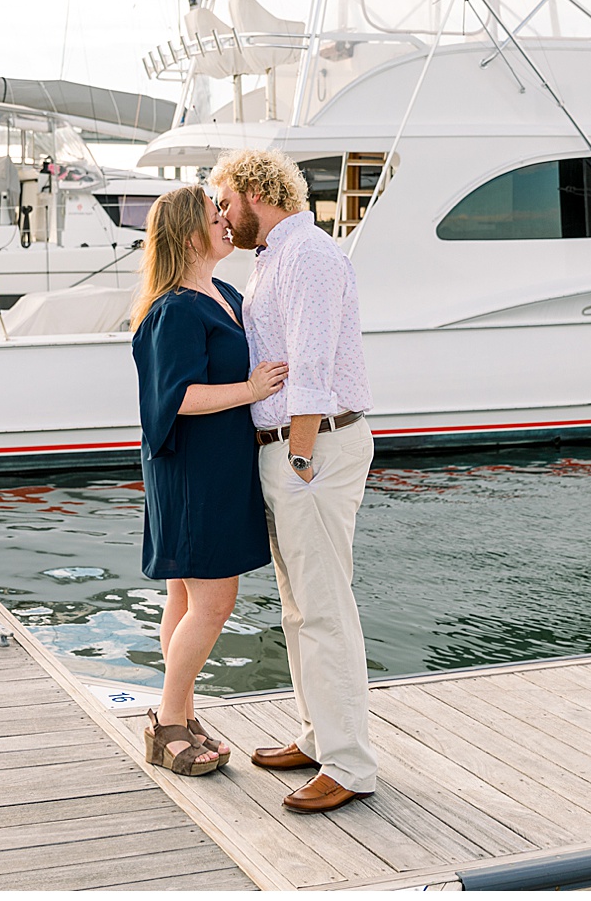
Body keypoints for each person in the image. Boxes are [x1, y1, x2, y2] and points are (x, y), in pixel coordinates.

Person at [212, 148, 378, 814]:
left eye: (226, 201)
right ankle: (318, 736)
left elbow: (310, 364)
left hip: (312, 447)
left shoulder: (307, 254)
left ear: (256, 191)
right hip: (293, 448)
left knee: (324, 606)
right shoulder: (275, 257)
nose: (223, 214)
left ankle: (349, 764)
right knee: (300, 606)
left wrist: (301, 455)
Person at [130, 184, 288, 777]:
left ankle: (183, 713)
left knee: (185, 597)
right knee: (215, 601)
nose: (225, 220)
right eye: (213, 214)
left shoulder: (224, 294)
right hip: (192, 471)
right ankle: (168, 721)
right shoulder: (174, 308)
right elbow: (177, 398)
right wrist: (252, 389)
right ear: (188, 233)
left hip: (218, 465)